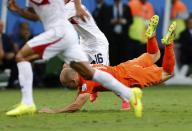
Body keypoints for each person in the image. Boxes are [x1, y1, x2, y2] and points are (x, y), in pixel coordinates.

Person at [6, 0, 141, 118]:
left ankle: (126, 98)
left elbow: (54, 20)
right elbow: (39, 16)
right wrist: (18, 10)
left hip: (97, 43)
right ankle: (92, 89)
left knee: (104, 74)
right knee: (69, 68)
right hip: (83, 42)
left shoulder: (70, 7)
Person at [39, 15, 176, 115]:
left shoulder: (86, 81)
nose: (69, 88)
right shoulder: (86, 70)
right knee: (154, 55)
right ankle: (150, 36)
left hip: (130, 77)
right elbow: (75, 84)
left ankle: (169, 44)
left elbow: (77, 105)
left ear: (74, 80)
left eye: (68, 85)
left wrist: (54, 111)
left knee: (167, 73)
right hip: (125, 67)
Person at [0, 20, 18, 88]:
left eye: (2, 26)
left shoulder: (6, 37)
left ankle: (11, 84)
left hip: (4, 60)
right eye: (0, 26)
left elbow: (11, 50)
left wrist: (11, 54)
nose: (1, 28)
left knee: (15, 61)